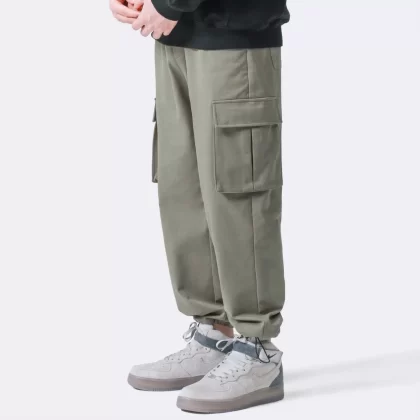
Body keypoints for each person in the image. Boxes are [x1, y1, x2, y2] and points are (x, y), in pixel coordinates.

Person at [110, 0, 290, 413]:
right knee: (183, 189)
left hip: (234, 34)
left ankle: (257, 348)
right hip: (176, 36)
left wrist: (170, 3)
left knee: (239, 194)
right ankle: (214, 334)